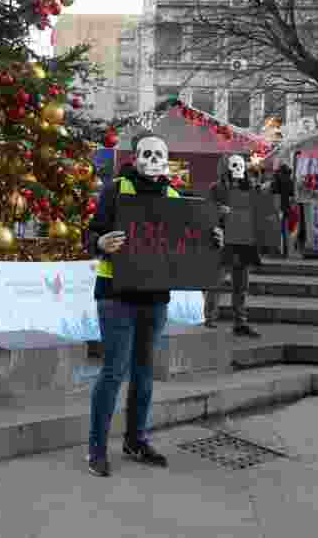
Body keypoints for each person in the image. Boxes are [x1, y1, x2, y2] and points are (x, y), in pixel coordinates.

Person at [84, 130, 224, 477]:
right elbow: (89, 234)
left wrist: (213, 239)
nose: (152, 161)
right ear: (135, 158)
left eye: (159, 154)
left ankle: (135, 440)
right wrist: (101, 241)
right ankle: (97, 450)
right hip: (116, 295)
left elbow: (190, 242)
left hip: (155, 296)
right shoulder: (116, 190)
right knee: (114, 371)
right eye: (146, 154)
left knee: (144, 373)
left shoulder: (175, 196)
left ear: (166, 160)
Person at [204, 154, 262, 337]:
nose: (238, 169)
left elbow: (257, 211)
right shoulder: (216, 188)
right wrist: (219, 211)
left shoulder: (250, 187)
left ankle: (240, 321)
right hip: (223, 239)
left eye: (241, 165)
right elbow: (207, 211)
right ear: (226, 167)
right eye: (234, 165)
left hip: (243, 240)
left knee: (241, 285)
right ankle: (210, 318)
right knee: (216, 280)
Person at [271, 163, 295, 259]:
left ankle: (278, 251)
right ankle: (286, 252)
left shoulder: (278, 181)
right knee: (285, 230)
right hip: (287, 207)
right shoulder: (290, 181)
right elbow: (292, 194)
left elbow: (274, 193)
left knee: (278, 230)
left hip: (279, 207)